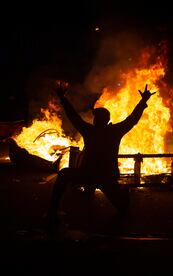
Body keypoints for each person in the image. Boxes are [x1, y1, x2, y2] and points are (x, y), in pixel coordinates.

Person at [46, 81, 156, 226]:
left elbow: (73, 117)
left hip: (95, 175)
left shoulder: (90, 130)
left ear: (101, 120)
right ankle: (53, 211)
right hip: (104, 176)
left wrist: (63, 98)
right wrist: (143, 101)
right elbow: (132, 120)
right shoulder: (114, 131)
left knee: (123, 207)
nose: (95, 119)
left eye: (97, 117)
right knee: (122, 207)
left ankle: (53, 210)